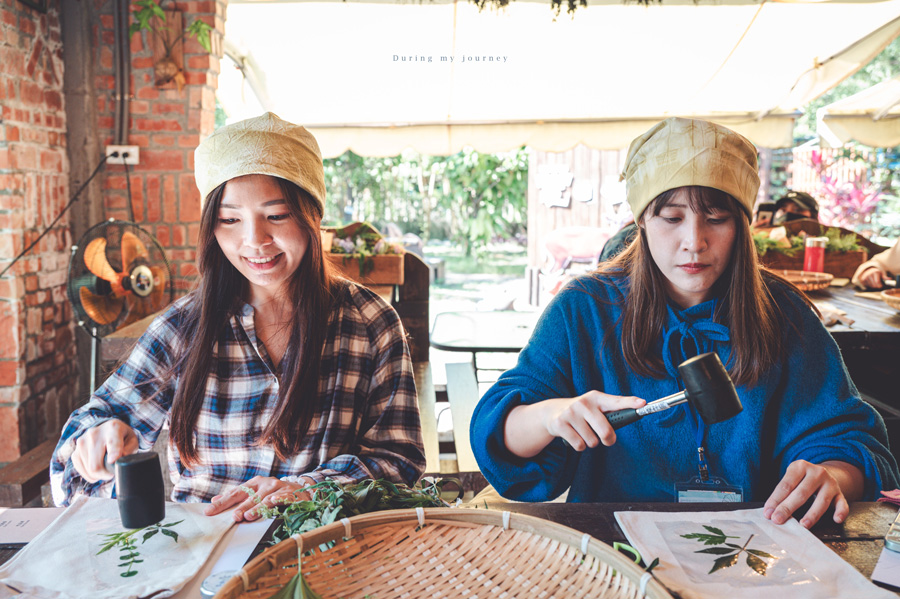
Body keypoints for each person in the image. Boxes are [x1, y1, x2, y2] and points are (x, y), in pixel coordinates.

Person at [470, 117, 898, 528]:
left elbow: (850, 441)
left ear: (744, 224)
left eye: (716, 217)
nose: (694, 241)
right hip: (611, 551)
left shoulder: (783, 313)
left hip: (757, 549)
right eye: (671, 218)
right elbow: (502, 435)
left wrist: (833, 476)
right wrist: (550, 416)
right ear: (641, 221)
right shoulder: (584, 310)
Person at [50, 113, 426, 521]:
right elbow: (74, 467)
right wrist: (95, 440)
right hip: (204, 551)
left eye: (276, 215)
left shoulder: (371, 322)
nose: (254, 240)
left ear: (313, 215)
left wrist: (306, 490)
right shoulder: (182, 328)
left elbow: (399, 460)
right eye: (230, 219)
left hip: (323, 549)